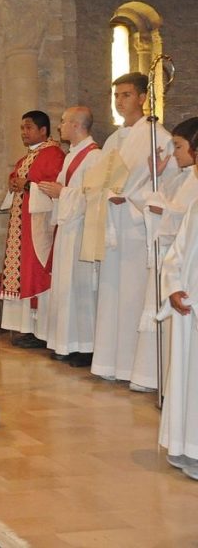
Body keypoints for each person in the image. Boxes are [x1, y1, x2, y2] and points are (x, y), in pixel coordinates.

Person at [90, 72, 180, 383]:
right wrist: (107, 195)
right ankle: (111, 364)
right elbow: (104, 179)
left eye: (126, 95)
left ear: (143, 97)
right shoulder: (114, 139)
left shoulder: (159, 136)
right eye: (116, 95)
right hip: (116, 230)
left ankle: (140, 372)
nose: (119, 101)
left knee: (133, 298)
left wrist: (132, 200)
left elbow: (169, 186)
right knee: (114, 297)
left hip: (139, 230)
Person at [129, 117, 198, 391]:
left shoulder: (193, 180)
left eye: (179, 147)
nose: (176, 153)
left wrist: (160, 209)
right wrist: (153, 174)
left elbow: (181, 217)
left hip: (184, 264)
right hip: (172, 261)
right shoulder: (184, 177)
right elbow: (158, 200)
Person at [38, 107, 103, 367]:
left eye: (63, 122)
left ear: (77, 125)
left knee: (81, 288)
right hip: (68, 228)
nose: (59, 127)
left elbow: (93, 197)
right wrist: (60, 193)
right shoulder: (72, 155)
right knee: (66, 287)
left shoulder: (95, 156)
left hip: (82, 231)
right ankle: (67, 343)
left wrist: (61, 192)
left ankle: (85, 347)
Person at [0, 111, 65, 349]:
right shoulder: (27, 157)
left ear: (43, 130)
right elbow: (21, 180)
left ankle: (39, 330)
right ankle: (25, 328)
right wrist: (15, 182)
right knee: (22, 271)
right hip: (21, 225)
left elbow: (54, 186)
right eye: (22, 128)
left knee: (36, 271)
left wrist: (27, 184)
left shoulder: (53, 154)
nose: (23, 132)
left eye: (28, 127)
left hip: (39, 226)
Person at [159, 137, 198, 481]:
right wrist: (173, 287)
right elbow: (177, 254)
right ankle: (190, 445)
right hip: (190, 306)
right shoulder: (196, 205)